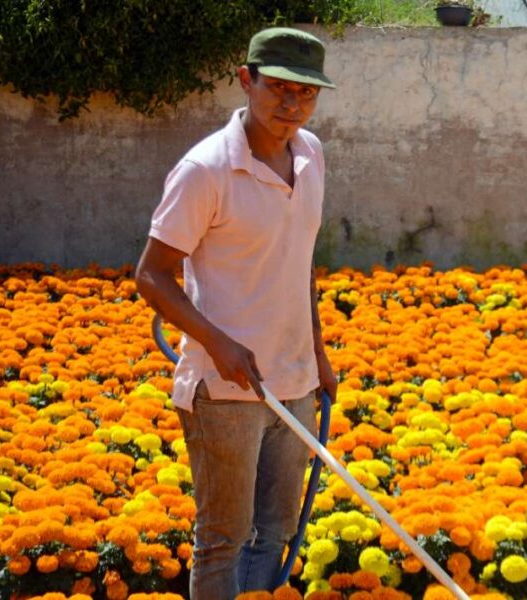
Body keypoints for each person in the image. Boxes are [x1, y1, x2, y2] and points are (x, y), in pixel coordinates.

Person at [134, 27, 338, 599]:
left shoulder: (312, 153)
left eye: (306, 93)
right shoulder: (206, 170)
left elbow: (301, 264)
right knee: (223, 540)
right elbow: (150, 274)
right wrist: (217, 343)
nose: (291, 104)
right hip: (226, 394)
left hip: (294, 383)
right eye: (277, 87)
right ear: (246, 80)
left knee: (273, 533)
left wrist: (318, 356)